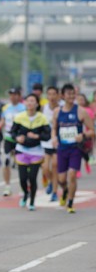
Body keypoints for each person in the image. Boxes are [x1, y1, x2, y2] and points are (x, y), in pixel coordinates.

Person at [52, 84, 94, 213]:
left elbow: (92, 130)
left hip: (75, 149)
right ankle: (65, 190)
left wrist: (83, 135)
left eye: (73, 94)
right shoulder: (57, 111)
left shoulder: (81, 111)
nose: (71, 96)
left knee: (72, 175)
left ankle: (70, 202)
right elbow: (54, 128)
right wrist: (54, 138)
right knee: (61, 179)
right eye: (68, 94)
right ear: (62, 96)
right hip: (62, 149)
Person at [10, 94, 51, 211]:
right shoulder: (19, 117)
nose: (30, 103)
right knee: (23, 178)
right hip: (21, 150)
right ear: (25, 103)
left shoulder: (42, 118)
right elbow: (12, 133)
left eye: (32, 101)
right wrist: (17, 138)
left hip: (36, 152)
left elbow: (47, 136)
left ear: (37, 104)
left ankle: (32, 201)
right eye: (28, 101)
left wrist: (37, 136)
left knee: (32, 178)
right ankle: (25, 194)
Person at [0, 87, 26, 196]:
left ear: (19, 96)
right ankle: (7, 186)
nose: (12, 97)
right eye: (11, 94)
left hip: (20, 139)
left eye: (15, 94)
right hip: (8, 139)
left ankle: (23, 187)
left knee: (21, 164)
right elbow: (2, 122)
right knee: (6, 161)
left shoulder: (24, 108)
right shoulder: (6, 107)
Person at [41, 86, 61, 202]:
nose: (52, 97)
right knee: (45, 168)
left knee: (55, 165)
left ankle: (54, 192)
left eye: (54, 94)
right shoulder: (44, 108)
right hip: (46, 142)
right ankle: (50, 182)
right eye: (49, 94)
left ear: (58, 95)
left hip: (58, 141)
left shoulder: (62, 108)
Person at [76, 93, 94, 175]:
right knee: (77, 153)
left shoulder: (88, 110)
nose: (80, 101)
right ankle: (78, 170)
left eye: (82, 100)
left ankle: (87, 162)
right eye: (78, 100)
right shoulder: (74, 110)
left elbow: (91, 123)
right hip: (77, 135)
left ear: (85, 101)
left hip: (86, 135)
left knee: (85, 153)